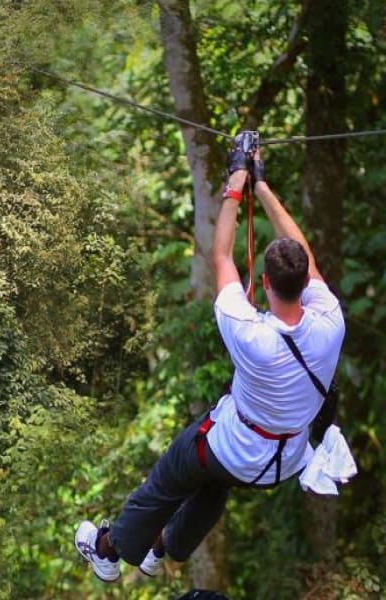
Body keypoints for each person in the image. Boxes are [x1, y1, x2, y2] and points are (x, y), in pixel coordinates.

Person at [74, 140, 345, 583]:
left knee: (171, 473)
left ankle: (108, 550)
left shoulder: (252, 335)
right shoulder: (330, 321)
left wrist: (236, 183)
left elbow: (221, 256)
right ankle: (164, 548)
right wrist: (262, 187)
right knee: (214, 480)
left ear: (265, 282)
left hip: (237, 449)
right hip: (286, 461)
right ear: (306, 282)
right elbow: (305, 255)